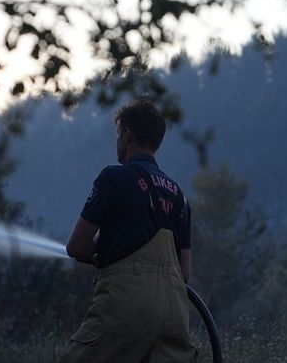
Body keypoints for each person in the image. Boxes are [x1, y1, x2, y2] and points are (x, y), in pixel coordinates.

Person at [59, 99, 196, 363]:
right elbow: (185, 274)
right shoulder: (179, 196)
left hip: (126, 307)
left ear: (128, 135)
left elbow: (76, 246)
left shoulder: (114, 177)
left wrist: (100, 250)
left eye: (118, 134)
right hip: (174, 315)